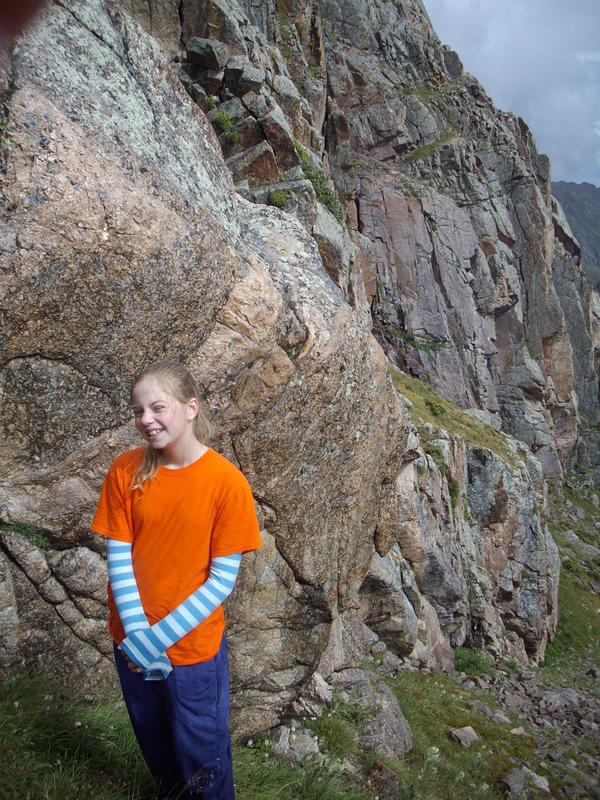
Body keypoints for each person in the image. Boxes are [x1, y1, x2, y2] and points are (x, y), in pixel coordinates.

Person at [91, 359, 262, 800]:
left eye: (158, 407)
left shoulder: (227, 484)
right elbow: (119, 557)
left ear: (191, 408)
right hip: (130, 643)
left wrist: (155, 640)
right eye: (138, 410)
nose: (145, 419)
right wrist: (136, 636)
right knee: (156, 744)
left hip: (191, 652)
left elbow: (221, 582)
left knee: (203, 755)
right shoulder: (125, 471)